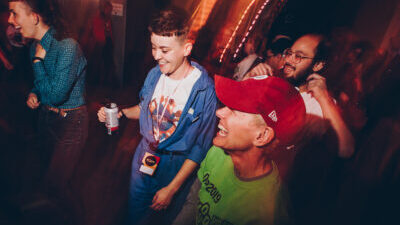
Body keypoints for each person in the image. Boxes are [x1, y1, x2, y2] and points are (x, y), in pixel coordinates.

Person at [97, 7, 217, 225]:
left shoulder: (204, 91)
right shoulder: (155, 74)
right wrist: (121, 113)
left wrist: (172, 188)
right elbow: (146, 109)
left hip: (174, 167)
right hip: (145, 156)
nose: (156, 56)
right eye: (153, 47)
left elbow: (200, 147)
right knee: (134, 213)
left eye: (164, 50)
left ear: (186, 48)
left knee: (158, 219)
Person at [173, 74, 306, 225]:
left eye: (234, 109)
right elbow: (193, 204)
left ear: (261, 136)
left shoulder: (270, 212)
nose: (219, 112)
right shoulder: (218, 153)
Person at [8, 0, 88, 198]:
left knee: (54, 185)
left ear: (34, 17)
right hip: (46, 119)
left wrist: (37, 62)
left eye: (14, 13)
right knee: (49, 178)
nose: (10, 20)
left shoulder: (67, 47)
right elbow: (43, 84)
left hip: (70, 123)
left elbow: (56, 95)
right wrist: (34, 93)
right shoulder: (35, 46)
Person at [248, 34, 354, 158]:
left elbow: (345, 149)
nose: (288, 60)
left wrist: (324, 99)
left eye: (298, 56)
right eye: (289, 53)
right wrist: (249, 79)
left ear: (317, 65)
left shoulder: (319, 103)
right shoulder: (275, 83)